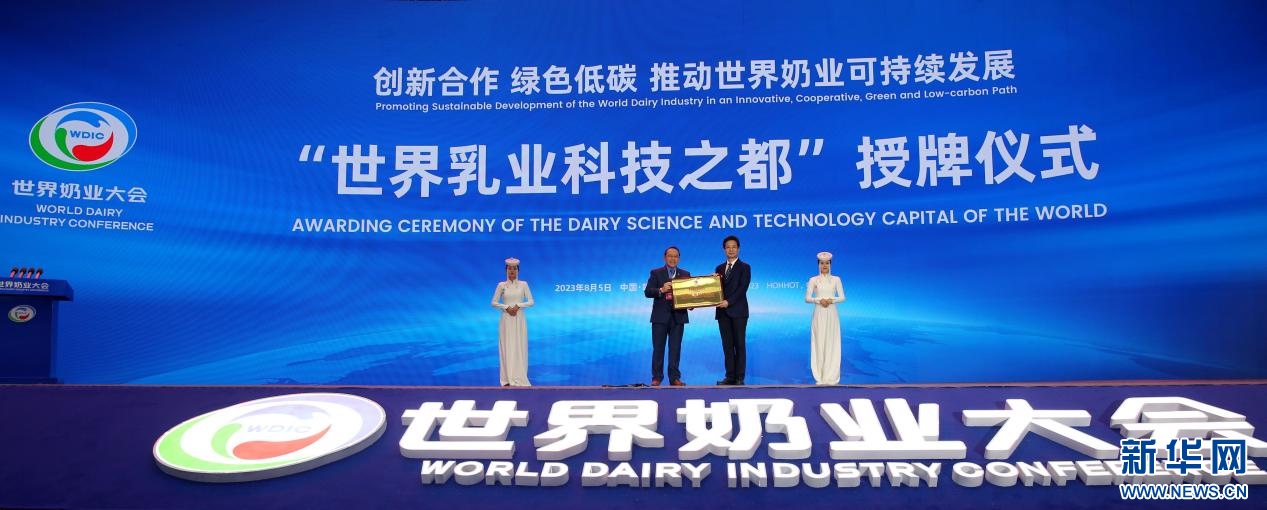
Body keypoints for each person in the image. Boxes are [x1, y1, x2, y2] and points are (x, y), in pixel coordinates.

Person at [644, 246, 690, 386]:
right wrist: (661, 289)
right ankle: (657, 377)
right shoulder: (656, 273)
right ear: (665, 257)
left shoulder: (685, 274)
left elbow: (690, 295)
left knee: (675, 349)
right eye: (670, 256)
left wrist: (692, 304)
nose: (672, 258)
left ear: (679, 258)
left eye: (675, 256)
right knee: (658, 348)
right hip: (660, 317)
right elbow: (647, 292)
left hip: (678, 317)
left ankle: (674, 378)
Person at [714, 235, 751, 385]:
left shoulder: (745, 267)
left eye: (734, 247)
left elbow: (742, 288)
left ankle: (739, 377)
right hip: (722, 312)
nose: (731, 250)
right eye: (728, 247)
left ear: (738, 249)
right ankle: (729, 376)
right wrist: (712, 282)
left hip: (739, 312)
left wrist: (728, 302)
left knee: (739, 345)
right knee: (727, 346)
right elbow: (716, 289)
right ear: (724, 249)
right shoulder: (719, 268)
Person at [492, 257, 533, 387]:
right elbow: (493, 302)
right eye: (510, 269)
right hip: (506, 319)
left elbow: (531, 301)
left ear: (518, 271)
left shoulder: (523, 285)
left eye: (514, 269)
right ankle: (507, 379)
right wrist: (506, 307)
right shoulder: (501, 286)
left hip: (519, 318)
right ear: (506, 270)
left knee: (519, 346)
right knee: (507, 346)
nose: (512, 271)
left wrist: (518, 305)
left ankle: (519, 377)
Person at [805, 251, 845, 385]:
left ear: (830, 264)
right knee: (819, 342)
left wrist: (831, 300)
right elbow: (807, 298)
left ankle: (831, 376)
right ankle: (820, 376)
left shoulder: (836, 279)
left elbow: (842, 297)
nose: (824, 266)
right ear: (818, 265)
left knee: (832, 342)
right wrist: (818, 300)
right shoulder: (813, 280)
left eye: (827, 263)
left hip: (832, 313)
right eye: (822, 263)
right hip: (819, 313)